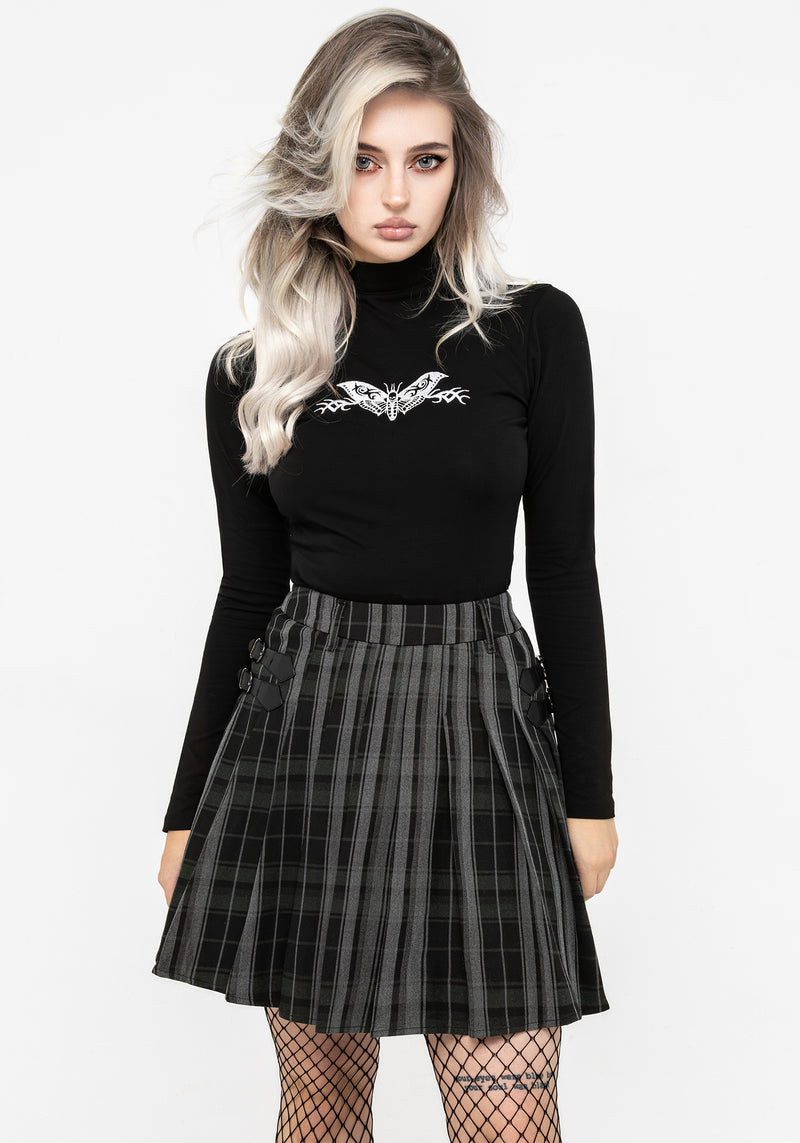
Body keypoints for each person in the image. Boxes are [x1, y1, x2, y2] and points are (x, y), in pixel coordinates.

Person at [152, 9, 618, 1142]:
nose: (397, 193)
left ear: (462, 167)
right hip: (308, 726)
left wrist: (590, 793)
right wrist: (185, 809)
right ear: (320, 169)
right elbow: (247, 595)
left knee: (509, 1114)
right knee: (321, 1109)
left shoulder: (533, 330)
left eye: (426, 159)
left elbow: (563, 568)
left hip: (482, 721)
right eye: (364, 161)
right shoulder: (253, 369)